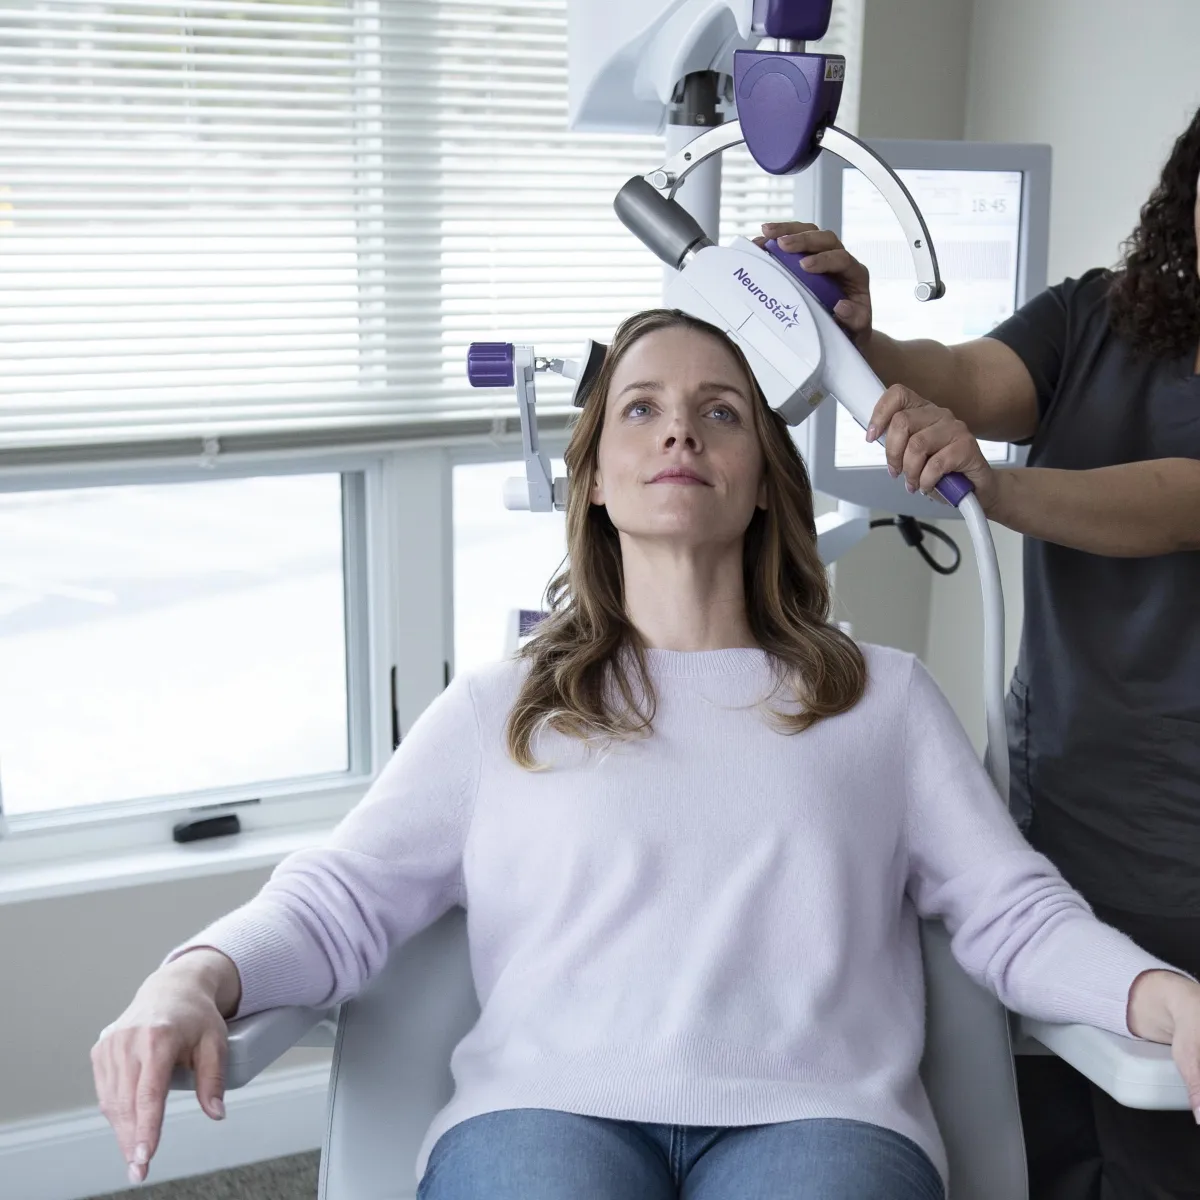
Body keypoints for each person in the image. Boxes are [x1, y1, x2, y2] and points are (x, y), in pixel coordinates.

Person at [92, 310, 1200, 1199]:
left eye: (721, 413)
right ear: (596, 481)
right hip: (544, 1114)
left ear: (764, 477)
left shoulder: (884, 699)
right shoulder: (504, 708)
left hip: (818, 1119)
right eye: (643, 410)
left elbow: (1017, 916)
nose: (681, 432)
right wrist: (187, 978)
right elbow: (338, 901)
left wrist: (1167, 1000)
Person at [760, 104, 1200, 1200]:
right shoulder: (1102, 316)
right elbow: (960, 373)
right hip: (1056, 808)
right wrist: (857, 338)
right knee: (1030, 1136)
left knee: (1156, 1142)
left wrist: (995, 486)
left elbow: (1173, 502)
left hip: (1186, 844)